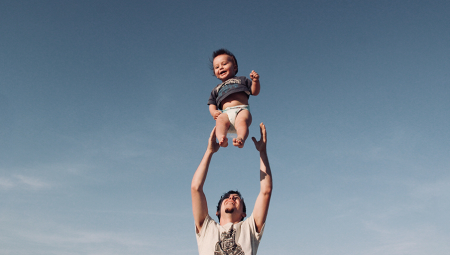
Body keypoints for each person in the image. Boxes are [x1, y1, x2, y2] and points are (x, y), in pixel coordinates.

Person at [191, 123, 272, 255]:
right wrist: (209, 151)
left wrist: (262, 152)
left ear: (243, 214)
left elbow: (266, 191)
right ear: (217, 212)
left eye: (236, 198)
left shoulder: (250, 228)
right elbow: (196, 188)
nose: (231, 198)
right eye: (227, 197)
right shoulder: (207, 228)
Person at [207, 49, 261, 148]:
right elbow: (212, 103)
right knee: (220, 121)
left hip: (242, 109)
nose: (220, 68)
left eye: (224, 64)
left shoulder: (242, 80)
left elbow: (254, 92)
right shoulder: (216, 89)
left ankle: (240, 138)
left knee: (242, 122)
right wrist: (214, 112)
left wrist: (255, 81)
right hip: (225, 113)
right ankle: (221, 138)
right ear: (215, 73)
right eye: (217, 67)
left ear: (234, 67)